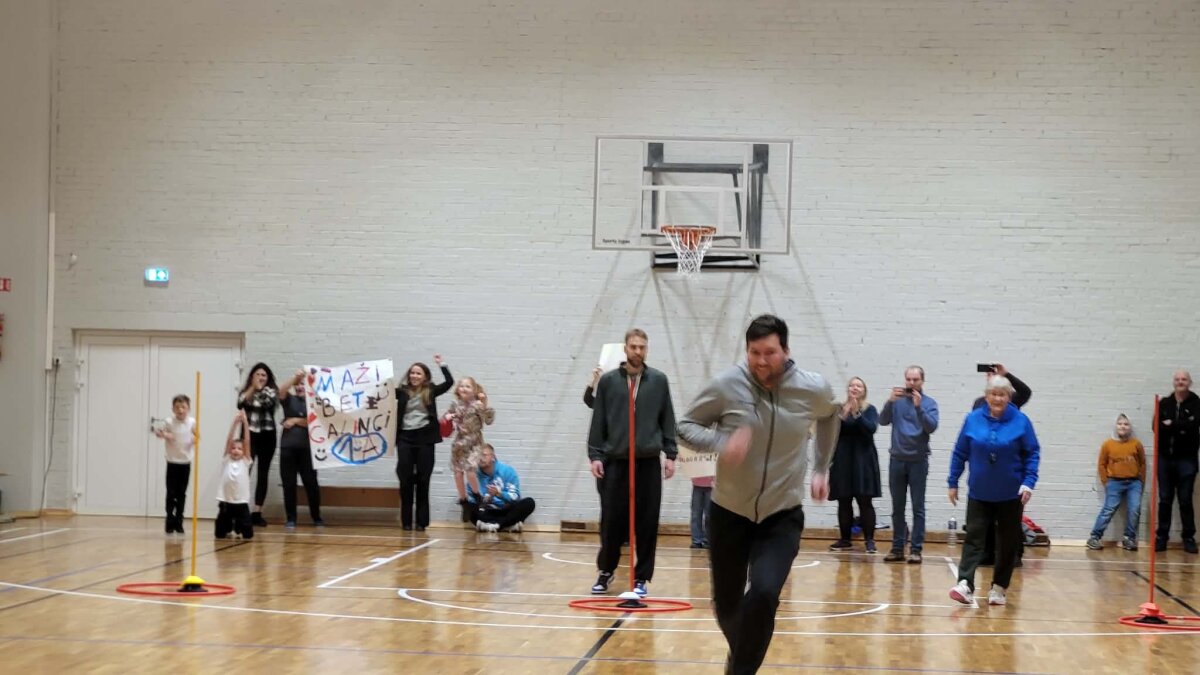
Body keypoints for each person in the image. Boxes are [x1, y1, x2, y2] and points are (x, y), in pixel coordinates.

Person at [677, 314, 839, 675]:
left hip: (781, 514)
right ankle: (741, 657)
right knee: (728, 607)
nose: (761, 361)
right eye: (754, 352)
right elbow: (685, 426)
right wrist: (721, 443)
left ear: (786, 350)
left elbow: (831, 415)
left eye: (769, 352)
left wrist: (821, 467)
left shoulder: (812, 388)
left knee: (764, 594)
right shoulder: (726, 385)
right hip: (728, 512)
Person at [587, 328, 677, 597]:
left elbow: (667, 418)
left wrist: (671, 454)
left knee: (647, 522)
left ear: (646, 350)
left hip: (647, 462)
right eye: (633, 346)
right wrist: (595, 455)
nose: (638, 351)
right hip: (616, 462)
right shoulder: (609, 382)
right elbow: (598, 420)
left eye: (642, 347)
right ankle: (606, 570)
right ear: (625, 349)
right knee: (611, 521)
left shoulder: (658, 381)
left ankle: (641, 578)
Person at [947, 376, 1040, 606]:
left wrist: (1029, 482)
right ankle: (965, 584)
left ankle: (999, 587)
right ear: (986, 396)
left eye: (1002, 395)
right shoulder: (972, 419)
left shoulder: (1021, 421)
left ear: (1009, 397)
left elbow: (1032, 453)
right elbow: (960, 452)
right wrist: (953, 481)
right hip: (979, 492)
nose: (997, 399)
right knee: (974, 538)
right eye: (993, 394)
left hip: (1011, 494)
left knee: (1007, 542)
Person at [971, 363, 1032, 566]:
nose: (992, 376)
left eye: (996, 374)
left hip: (1010, 465)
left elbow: (1026, 392)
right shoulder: (979, 403)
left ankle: (1014, 555)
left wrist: (1007, 375)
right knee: (987, 515)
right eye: (990, 374)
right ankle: (987, 553)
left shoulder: (1011, 400)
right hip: (987, 466)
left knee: (1010, 516)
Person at [879, 366, 939, 564]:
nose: (912, 383)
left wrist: (919, 407)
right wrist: (889, 401)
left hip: (918, 462)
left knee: (917, 508)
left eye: (915, 380)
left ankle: (916, 549)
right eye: (909, 379)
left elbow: (931, 427)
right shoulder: (896, 402)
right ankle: (897, 548)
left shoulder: (929, 403)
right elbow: (882, 420)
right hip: (897, 460)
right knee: (897, 507)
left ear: (922, 381)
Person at [395, 356, 453, 532]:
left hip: (425, 439)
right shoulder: (402, 391)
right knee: (405, 479)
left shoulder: (430, 390)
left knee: (423, 479)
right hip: (405, 438)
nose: (414, 376)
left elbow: (449, 382)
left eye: (418, 373)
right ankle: (406, 521)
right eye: (412, 373)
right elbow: (382, 395)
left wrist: (442, 365)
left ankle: (421, 521)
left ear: (425, 376)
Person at [827, 377, 881, 553]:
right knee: (843, 500)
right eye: (852, 385)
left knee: (865, 500)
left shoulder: (870, 409)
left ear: (864, 390)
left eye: (859, 386)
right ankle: (845, 539)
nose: (855, 388)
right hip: (843, 460)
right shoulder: (839, 409)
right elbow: (832, 432)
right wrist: (844, 415)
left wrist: (857, 414)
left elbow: (870, 429)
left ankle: (869, 540)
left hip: (863, 460)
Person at [1156, 370, 1200, 553]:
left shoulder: (1197, 403)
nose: (1180, 382)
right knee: (1165, 499)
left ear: (1190, 382)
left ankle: (1188, 538)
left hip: (1187, 460)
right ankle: (1162, 538)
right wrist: (1180, 426)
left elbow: (1193, 425)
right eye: (1177, 379)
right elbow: (1157, 427)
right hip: (1165, 460)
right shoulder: (1164, 403)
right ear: (1173, 382)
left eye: (1184, 379)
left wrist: (1172, 424)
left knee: (1185, 500)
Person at [1087, 414, 1145, 551]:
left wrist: (1140, 481)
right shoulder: (1108, 444)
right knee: (1108, 510)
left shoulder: (1136, 444)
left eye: (1126, 424)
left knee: (1134, 509)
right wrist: (1106, 482)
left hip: (1134, 483)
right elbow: (1101, 464)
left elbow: (1142, 463)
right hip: (1114, 482)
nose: (1123, 426)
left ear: (1130, 427)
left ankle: (1129, 538)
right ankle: (1094, 537)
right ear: (1116, 426)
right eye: (1120, 424)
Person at [444, 377, 495, 521]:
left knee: (470, 470)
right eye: (461, 386)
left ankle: (478, 496)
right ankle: (464, 501)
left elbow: (489, 420)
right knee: (458, 473)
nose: (464, 388)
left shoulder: (477, 405)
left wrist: (484, 403)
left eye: (468, 386)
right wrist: (448, 417)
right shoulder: (455, 404)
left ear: (474, 390)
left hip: (474, 442)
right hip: (459, 443)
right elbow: (446, 419)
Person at [278, 369, 323, 529]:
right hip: (288, 450)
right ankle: (291, 518)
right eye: (297, 385)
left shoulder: (314, 403)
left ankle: (316, 517)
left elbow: (314, 422)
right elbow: (281, 391)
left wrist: (295, 420)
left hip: (307, 451)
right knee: (289, 484)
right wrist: (295, 378)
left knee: (311, 484)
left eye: (302, 384)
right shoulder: (289, 399)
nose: (299, 387)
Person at [238, 362, 279, 527]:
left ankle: (257, 512)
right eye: (258, 374)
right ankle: (241, 509)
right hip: (249, 436)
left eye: (264, 375)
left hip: (267, 436)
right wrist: (252, 389)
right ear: (252, 376)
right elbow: (240, 403)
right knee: (244, 471)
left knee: (263, 473)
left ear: (268, 378)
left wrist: (259, 390)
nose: (261, 377)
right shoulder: (246, 391)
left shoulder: (272, 391)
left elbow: (268, 405)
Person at [467, 444, 536, 533]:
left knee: (529, 502)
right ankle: (507, 525)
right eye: (478, 456)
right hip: (489, 511)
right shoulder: (473, 476)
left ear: (493, 457)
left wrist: (499, 494)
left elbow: (515, 497)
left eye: (484, 455)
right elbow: (473, 502)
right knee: (469, 509)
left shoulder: (507, 471)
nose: (480, 458)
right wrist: (485, 500)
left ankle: (495, 525)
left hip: (506, 510)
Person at [155, 394, 195, 535]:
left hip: (185, 463)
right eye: (177, 407)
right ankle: (169, 520)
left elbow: (197, 435)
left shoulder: (192, 422)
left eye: (183, 407)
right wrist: (164, 435)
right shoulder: (169, 422)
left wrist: (194, 439)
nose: (180, 410)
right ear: (173, 409)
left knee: (181, 493)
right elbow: (159, 432)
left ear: (188, 409)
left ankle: (179, 521)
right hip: (172, 462)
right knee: (171, 493)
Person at [215, 411, 254, 540]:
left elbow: (247, 441)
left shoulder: (245, 461)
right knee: (220, 534)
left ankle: (238, 526)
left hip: (241, 501)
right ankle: (229, 526)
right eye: (233, 448)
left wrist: (245, 422)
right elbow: (229, 440)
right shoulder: (227, 459)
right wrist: (235, 423)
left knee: (248, 535)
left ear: (243, 452)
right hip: (226, 500)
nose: (236, 450)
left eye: (239, 448)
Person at [690, 474, 713, 549]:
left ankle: (708, 540)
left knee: (709, 515)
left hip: (712, 485)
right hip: (697, 484)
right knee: (695, 514)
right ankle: (696, 541)